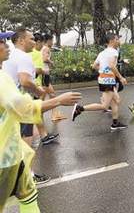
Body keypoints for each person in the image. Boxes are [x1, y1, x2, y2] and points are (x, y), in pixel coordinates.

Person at [0, 34, 82, 213]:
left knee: (28, 194)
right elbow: (23, 108)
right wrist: (57, 100)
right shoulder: (1, 80)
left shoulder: (3, 74)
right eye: (2, 43)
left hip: (12, 152)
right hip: (4, 158)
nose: (7, 46)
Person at [3, 28, 56, 184]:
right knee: (29, 139)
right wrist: (38, 90)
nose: (35, 41)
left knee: (18, 138)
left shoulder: (10, 55)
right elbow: (25, 81)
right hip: (19, 105)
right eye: (31, 39)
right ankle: (27, 176)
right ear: (21, 40)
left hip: (10, 104)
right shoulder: (23, 57)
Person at [71, 33, 128, 131]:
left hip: (104, 79)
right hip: (108, 81)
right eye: (117, 39)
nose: (119, 41)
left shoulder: (102, 53)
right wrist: (121, 77)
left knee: (116, 101)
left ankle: (115, 123)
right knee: (104, 106)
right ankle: (80, 109)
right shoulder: (114, 51)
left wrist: (103, 72)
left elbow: (94, 66)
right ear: (112, 40)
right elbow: (111, 65)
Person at [29, 33, 60, 146]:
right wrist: (45, 71)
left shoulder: (27, 53)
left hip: (34, 85)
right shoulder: (36, 53)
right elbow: (37, 70)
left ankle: (44, 135)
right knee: (37, 108)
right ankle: (41, 135)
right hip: (36, 85)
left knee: (37, 109)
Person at [41, 34, 66, 121]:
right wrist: (52, 62)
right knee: (47, 95)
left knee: (50, 94)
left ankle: (54, 114)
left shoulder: (43, 48)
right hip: (44, 74)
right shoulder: (46, 48)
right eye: (52, 40)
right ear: (48, 40)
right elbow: (44, 59)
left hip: (44, 74)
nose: (53, 42)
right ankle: (39, 115)